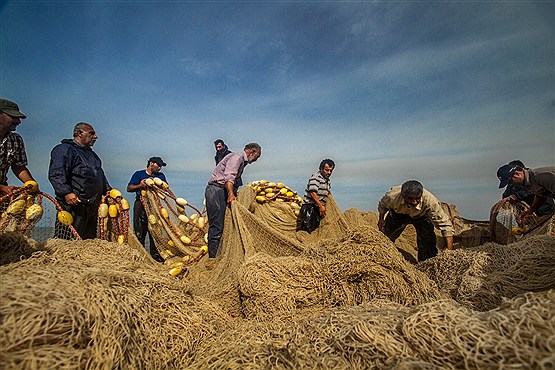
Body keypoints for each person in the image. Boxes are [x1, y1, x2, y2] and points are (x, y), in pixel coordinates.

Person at [49, 122, 111, 239]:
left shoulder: (93, 156)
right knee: (68, 240)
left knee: (88, 241)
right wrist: (66, 192)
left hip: (91, 206)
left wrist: (108, 191)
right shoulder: (65, 149)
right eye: (91, 133)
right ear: (79, 133)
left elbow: (100, 176)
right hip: (73, 206)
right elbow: (57, 173)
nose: (95, 137)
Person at [205, 143, 261, 258]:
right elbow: (229, 178)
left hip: (221, 190)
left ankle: (220, 253)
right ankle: (213, 258)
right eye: (257, 157)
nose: (256, 160)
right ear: (252, 152)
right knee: (217, 225)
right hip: (216, 190)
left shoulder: (241, 160)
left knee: (224, 223)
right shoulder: (237, 158)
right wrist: (230, 194)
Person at [378, 180, 454, 262]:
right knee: (387, 235)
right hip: (398, 214)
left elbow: (445, 224)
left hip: (422, 216)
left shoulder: (430, 202)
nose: (414, 201)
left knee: (427, 241)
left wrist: (449, 249)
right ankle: (382, 255)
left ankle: (425, 264)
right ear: (403, 196)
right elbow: (382, 206)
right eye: (410, 198)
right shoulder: (391, 196)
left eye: (417, 198)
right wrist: (381, 220)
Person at [126, 157, 167, 262]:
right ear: (151, 163)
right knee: (139, 230)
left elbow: (165, 189)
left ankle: (156, 257)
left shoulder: (161, 176)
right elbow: (129, 188)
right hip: (140, 205)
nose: (160, 168)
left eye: (161, 166)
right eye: (158, 165)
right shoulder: (138, 174)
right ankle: (140, 256)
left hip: (154, 206)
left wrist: (159, 186)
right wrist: (140, 185)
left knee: (155, 232)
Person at [0, 98, 37, 196]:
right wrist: (2, 188)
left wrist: (31, 184)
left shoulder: (16, 140)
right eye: (13, 117)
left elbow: (18, 166)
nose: (18, 121)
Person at [298, 159, 335, 233]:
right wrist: (320, 206)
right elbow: (312, 192)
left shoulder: (327, 180)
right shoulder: (316, 177)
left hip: (317, 209)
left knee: (316, 230)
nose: (329, 172)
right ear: (321, 169)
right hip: (309, 208)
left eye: (331, 171)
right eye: (327, 170)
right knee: (307, 230)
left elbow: (327, 192)